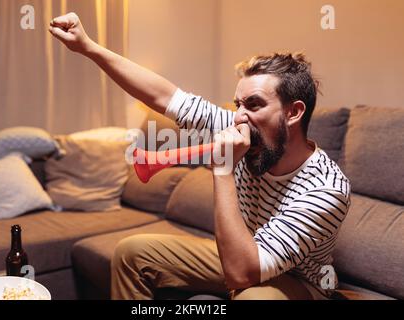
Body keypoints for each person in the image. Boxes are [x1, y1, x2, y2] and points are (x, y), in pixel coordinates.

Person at [49, 12, 351, 300]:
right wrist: (88, 47)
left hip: (298, 281)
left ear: (294, 112)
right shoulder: (243, 125)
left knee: (254, 295)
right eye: (238, 104)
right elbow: (163, 96)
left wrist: (223, 171)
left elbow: (241, 274)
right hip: (247, 252)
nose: (239, 118)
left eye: (254, 104)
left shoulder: (326, 189)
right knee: (132, 252)